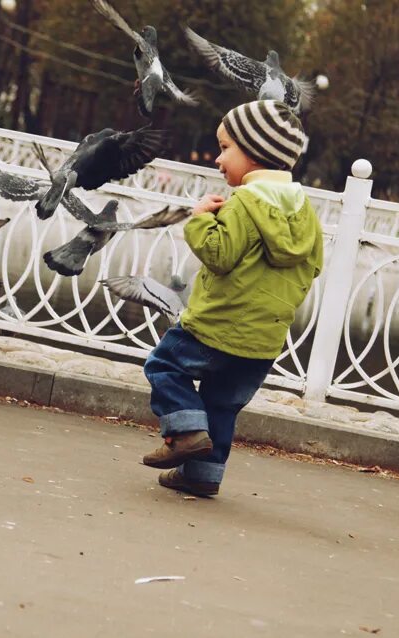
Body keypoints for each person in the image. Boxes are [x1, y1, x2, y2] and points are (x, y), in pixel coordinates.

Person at [141, 100, 324, 497]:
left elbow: (219, 255)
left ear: (255, 152)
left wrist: (201, 218)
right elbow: (312, 268)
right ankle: (202, 476)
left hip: (217, 325)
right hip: (262, 342)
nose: (218, 159)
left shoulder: (245, 202)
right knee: (222, 404)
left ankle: (186, 432)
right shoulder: (305, 212)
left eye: (225, 148)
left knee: (165, 366)